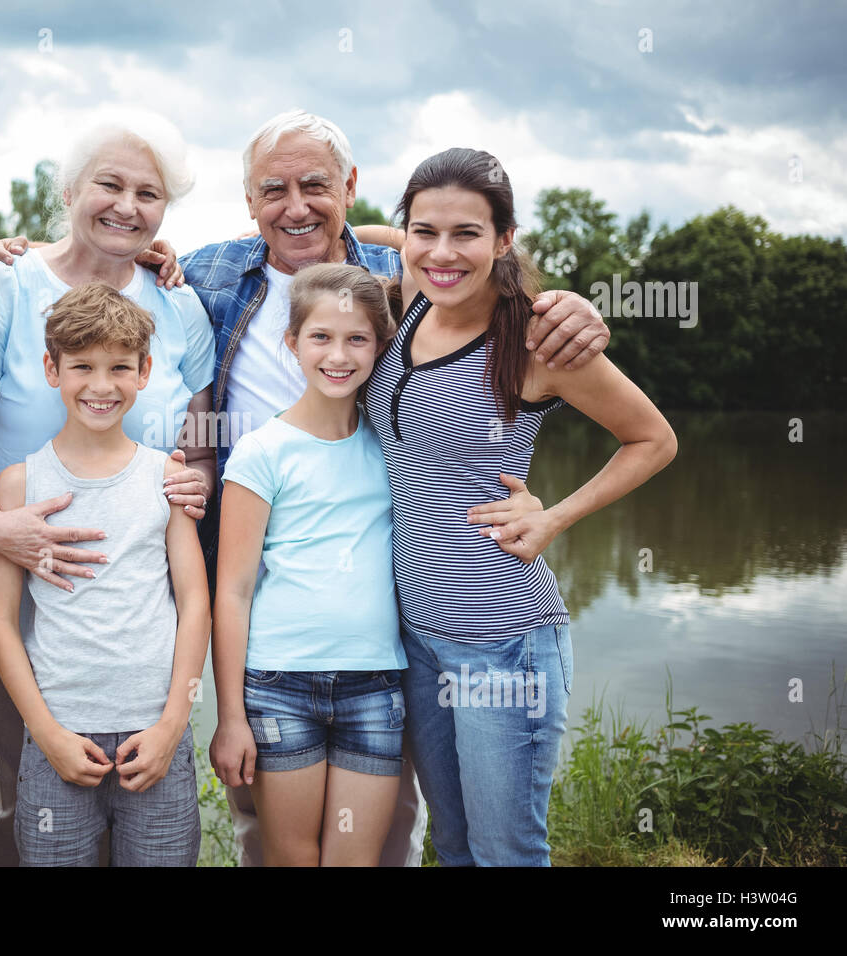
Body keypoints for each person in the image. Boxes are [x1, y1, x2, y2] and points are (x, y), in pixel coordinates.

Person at [177, 109, 611, 867]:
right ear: (247, 198)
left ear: (350, 188)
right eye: (272, 189)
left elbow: (461, 250)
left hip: (395, 637)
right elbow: (111, 276)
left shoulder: (401, 289)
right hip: (285, 637)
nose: (296, 205)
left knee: (394, 839)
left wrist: (568, 302)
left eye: (317, 186)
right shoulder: (205, 275)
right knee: (280, 842)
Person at [365, 147, 677, 865]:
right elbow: (391, 240)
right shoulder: (412, 302)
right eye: (425, 231)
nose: (443, 252)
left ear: (505, 239)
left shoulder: (537, 340)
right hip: (417, 639)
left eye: (467, 234)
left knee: (506, 850)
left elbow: (652, 440)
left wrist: (554, 518)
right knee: (455, 845)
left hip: (504, 643)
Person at [0, 110, 216, 866]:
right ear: (70, 189)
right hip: (10, 573)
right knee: (11, 789)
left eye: (149, 193)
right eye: (110, 184)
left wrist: (192, 485)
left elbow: (199, 451)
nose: (128, 206)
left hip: (132, 590)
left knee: (138, 791)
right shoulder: (7, 284)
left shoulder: (181, 306)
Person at [0, 282, 209, 866]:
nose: (102, 385)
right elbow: (2, 624)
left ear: (144, 372)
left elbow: (195, 603)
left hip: (154, 736)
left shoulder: (167, 478)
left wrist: (170, 726)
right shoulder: (19, 484)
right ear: (51, 369)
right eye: (82, 365)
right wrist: (48, 734)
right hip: (60, 738)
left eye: (120, 367)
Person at [210, 264, 412, 865]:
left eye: (358, 339)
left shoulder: (394, 444)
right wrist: (230, 719)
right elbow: (234, 590)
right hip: (279, 687)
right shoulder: (261, 451)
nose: (339, 355)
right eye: (321, 336)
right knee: (292, 858)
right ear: (292, 342)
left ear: (381, 347)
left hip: (374, 685)